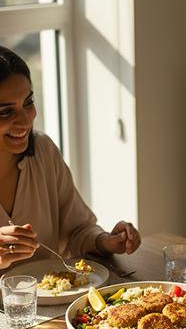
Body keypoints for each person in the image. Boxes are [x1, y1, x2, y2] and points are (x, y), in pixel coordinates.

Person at [0, 46, 141, 270]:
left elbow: (77, 230)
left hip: (51, 304)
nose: (26, 121)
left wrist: (105, 241)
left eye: (28, 103)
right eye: (6, 111)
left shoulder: (44, 151)